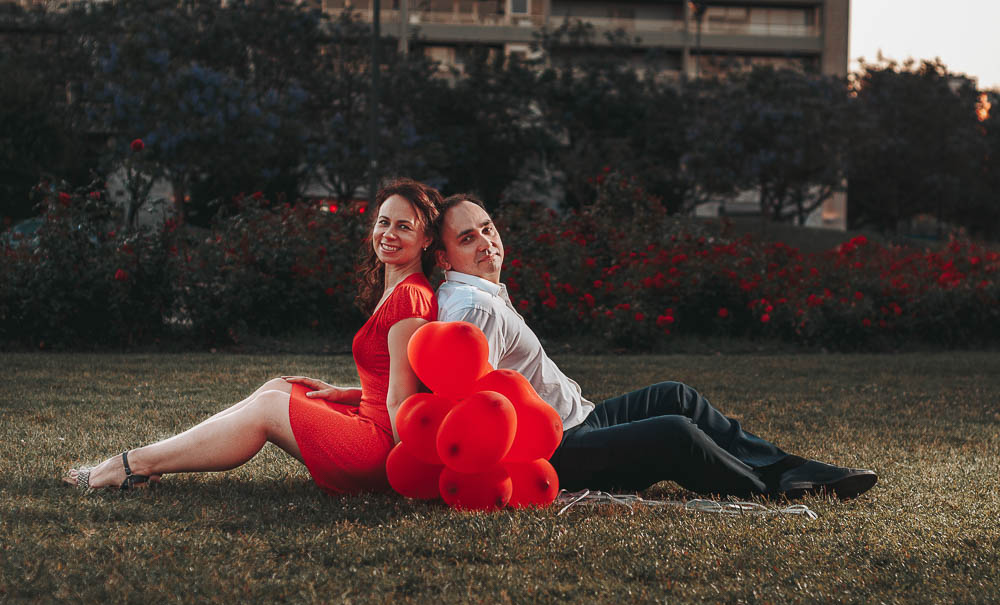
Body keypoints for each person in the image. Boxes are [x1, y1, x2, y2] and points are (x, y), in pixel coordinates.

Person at [431, 194, 878, 500]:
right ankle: (772, 487)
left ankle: (789, 466)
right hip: (559, 449)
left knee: (674, 394)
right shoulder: (475, 309)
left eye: (487, 228)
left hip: (581, 418)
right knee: (673, 433)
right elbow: (475, 406)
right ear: (444, 257)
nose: (486, 242)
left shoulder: (480, 295)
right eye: (468, 238)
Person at [63, 178, 442, 495]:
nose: (388, 234)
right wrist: (347, 393)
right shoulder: (397, 290)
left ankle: (131, 465)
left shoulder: (409, 298)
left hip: (378, 449)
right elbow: (396, 381)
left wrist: (405, 476)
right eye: (383, 222)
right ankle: (150, 460)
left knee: (270, 407)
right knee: (280, 386)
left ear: (426, 239)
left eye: (404, 227)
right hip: (368, 421)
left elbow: (403, 401)